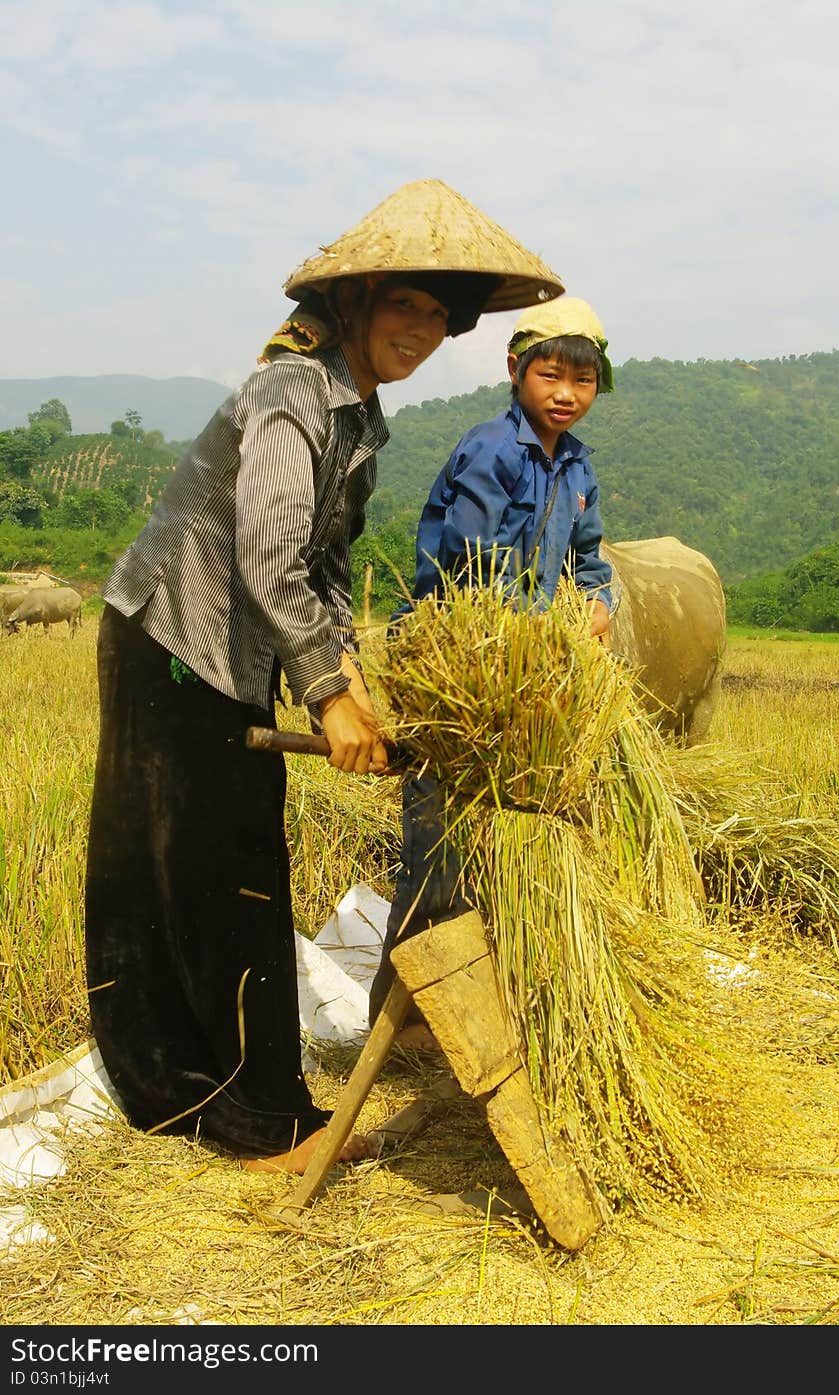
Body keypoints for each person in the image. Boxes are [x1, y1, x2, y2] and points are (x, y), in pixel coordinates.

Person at [84, 179, 565, 1175]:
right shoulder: (291, 395)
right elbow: (265, 554)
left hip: (226, 649)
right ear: (354, 304)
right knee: (202, 872)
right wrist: (327, 693)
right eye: (406, 306)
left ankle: (202, 1089)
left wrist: (352, 673)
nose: (423, 329)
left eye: (439, 316)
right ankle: (238, 1116)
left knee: (225, 864)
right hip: (170, 638)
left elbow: (325, 566)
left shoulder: (359, 419)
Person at [368, 296, 616, 1042]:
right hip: (456, 672)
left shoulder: (577, 468)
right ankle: (398, 1016)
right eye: (551, 373)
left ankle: (486, 1002)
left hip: (525, 677)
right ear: (516, 371)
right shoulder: (491, 451)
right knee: (437, 850)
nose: (566, 392)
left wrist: (596, 605)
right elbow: (474, 567)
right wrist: (528, 641)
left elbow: (590, 559)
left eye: (583, 379)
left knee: (506, 854)